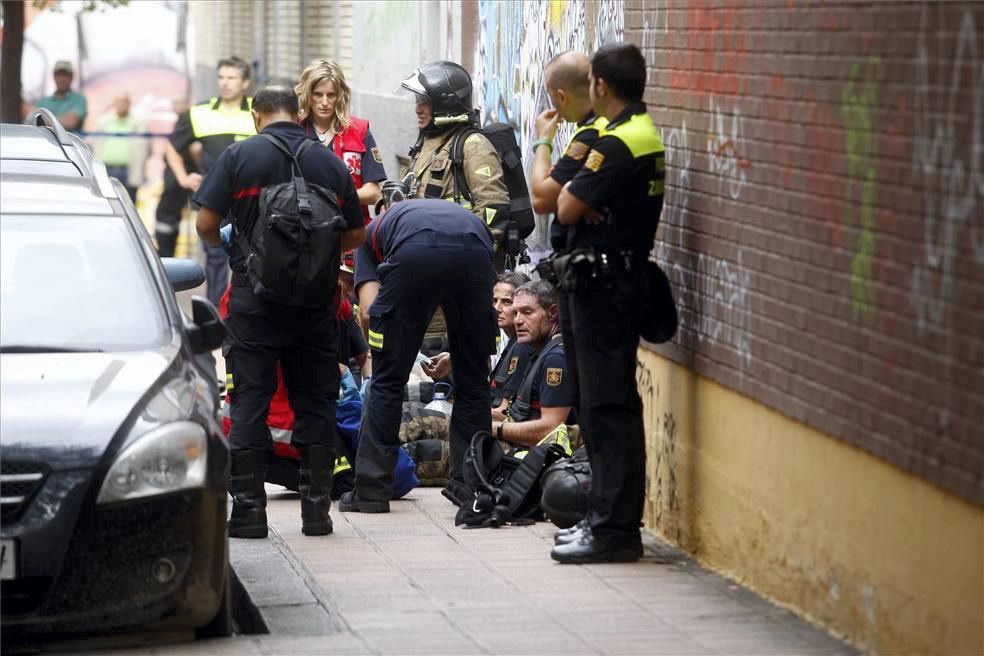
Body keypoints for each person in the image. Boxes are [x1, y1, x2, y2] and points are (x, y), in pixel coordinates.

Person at [194, 85, 366, 539]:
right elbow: (356, 236)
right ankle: (317, 514)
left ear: (256, 116)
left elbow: (205, 226)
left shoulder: (239, 157)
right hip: (316, 307)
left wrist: (242, 247)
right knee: (317, 403)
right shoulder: (328, 161)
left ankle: (249, 512)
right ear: (299, 112)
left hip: (254, 304)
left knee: (249, 401)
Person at [551, 43, 666, 564]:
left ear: (600, 85)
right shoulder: (633, 134)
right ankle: (606, 521)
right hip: (607, 283)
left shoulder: (621, 141)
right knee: (606, 407)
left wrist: (580, 198)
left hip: (607, 288)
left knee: (609, 409)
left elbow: (566, 205)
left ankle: (615, 529)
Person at [339, 197, 497, 513]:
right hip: (477, 246)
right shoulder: (455, 215)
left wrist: (388, 349)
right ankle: (472, 486)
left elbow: (369, 311)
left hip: (415, 254)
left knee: (387, 381)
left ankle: (371, 491)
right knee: (474, 380)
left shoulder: (369, 236)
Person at [396, 61, 512, 270]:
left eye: (425, 101)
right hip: (429, 257)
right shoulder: (427, 143)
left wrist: (473, 260)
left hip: (461, 264)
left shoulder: (473, 146)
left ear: (445, 104)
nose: (418, 109)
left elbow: (493, 208)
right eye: (417, 100)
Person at [167, 56, 255, 306]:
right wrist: (184, 177)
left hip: (249, 199)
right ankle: (217, 315)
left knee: (251, 256)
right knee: (215, 258)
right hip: (214, 198)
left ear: (245, 82)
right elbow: (172, 147)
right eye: (221, 77)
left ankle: (243, 310)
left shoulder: (257, 112)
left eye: (232, 78)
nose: (225, 83)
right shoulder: (199, 112)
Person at [529, 51, 608, 254]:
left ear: (562, 97)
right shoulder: (605, 123)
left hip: (589, 258)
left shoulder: (590, 135)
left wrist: (543, 140)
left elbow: (540, 200)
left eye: (552, 97)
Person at [296, 59, 386, 223]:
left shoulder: (359, 130)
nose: (325, 102)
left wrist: (331, 199)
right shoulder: (295, 131)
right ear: (307, 95)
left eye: (331, 95)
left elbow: (373, 192)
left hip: (352, 231)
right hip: (305, 231)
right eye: (318, 94)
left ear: (340, 96)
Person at [491, 281, 574, 450]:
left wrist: (495, 429)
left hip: (534, 458)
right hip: (518, 444)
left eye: (527, 312)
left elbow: (550, 430)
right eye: (515, 313)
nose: (518, 321)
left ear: (553, 313)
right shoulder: (539, 351)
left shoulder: (555, 359)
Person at [489, 272, 533, 413]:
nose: (497, 309)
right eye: (494, 300)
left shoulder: (523, 346)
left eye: (507, 302)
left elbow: (504, 411)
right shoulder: (512, 342)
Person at [96, 94, 146, 202]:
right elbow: (96, 145)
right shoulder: (104, 121)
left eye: (123, 102)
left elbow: (147, 148)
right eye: (118, 102)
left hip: (128, 171)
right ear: (114, 104)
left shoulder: (139, 122)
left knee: (128, 204)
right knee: (105, 203)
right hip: (106, 169)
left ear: (129, 104)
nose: (120, 105)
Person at [33, 60, 87, 133]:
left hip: (70, 143)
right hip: (45, 143)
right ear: (54, 76)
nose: (62, 79)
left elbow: (70, 122)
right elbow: (32, 121)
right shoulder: (43, 101)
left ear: (71, 77)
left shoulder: (79, 99)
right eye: (59, 75)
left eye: (65, 75)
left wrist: (43, 121)